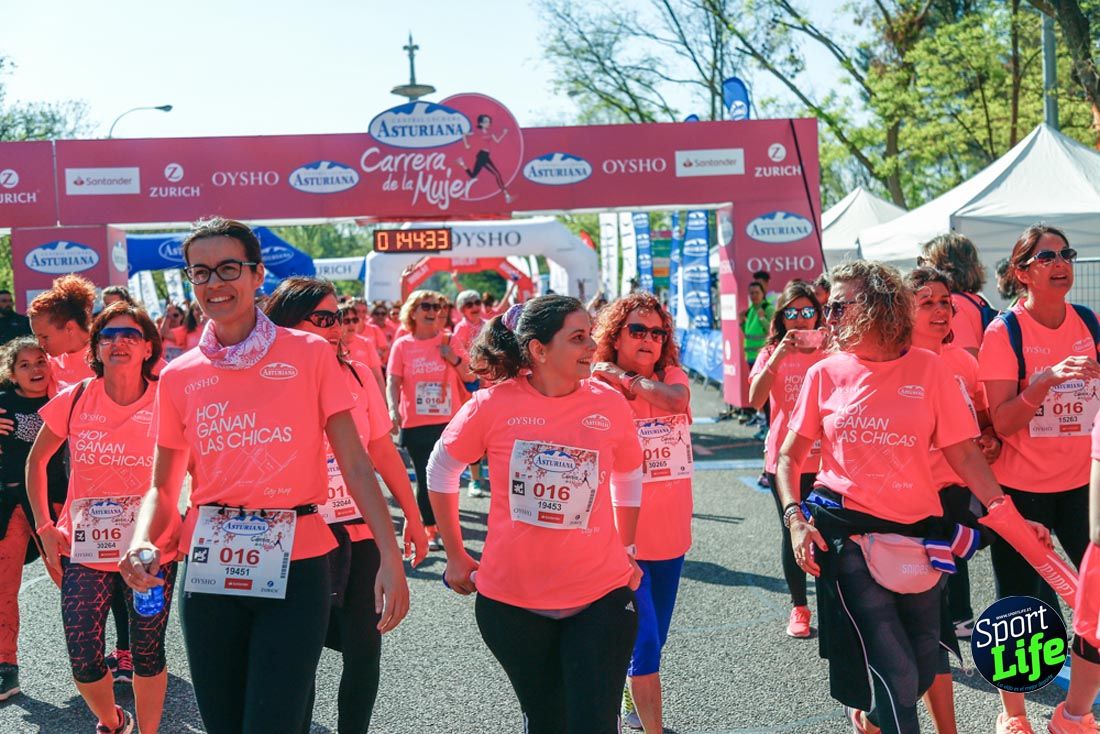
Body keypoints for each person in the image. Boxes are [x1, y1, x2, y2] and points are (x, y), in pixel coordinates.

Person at [117, 218, 409, 734]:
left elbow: (357, 463)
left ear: (257, 276)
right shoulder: (180, 375)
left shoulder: (310, 353)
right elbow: (163, 486)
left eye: (229, 268)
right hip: (208, 566)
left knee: (273, 721)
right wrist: (141, 540)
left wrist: (390, 553)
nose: (214, 283)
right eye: (200, 272)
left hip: (297, 562)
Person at [777, 260, 1051, 734]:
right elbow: (788, 458)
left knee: (926, 663)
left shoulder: (930, 370)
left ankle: (871, 715)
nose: (829, 318)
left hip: (920, 537)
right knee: (898, 670)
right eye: (829, 308)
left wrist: (1010, 519)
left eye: (839, 306)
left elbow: (966, 457)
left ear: (877, 305)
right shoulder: (825, 374)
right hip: (846, 535)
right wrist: (795, 519)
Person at [427, 295, 644, 733]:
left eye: (591, 336)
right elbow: (441, 468)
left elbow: (630, 473)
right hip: (513, 605)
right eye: (578, 338)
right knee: (546, 721)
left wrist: (628, 548)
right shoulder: (492, 405)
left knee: (595, 723)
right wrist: (454, 554)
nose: (591, 348)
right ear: (539, 350)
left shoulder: (608, 403)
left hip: (599, 597)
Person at [263, 277, 427, 734]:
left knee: (364, 650)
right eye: (324, 318)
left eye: (339, 316)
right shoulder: (265, 382)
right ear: (288, 323)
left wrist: (413, 518)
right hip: (297, 539)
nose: (338, 327)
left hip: (358, 531)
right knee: (302, 655)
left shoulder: (355, 373)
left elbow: (381, 450)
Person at [27, 302, 173, 734]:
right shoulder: (74, 399)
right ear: (96, 348)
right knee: (83, 654)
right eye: (107, 336)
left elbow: (197, 467)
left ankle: (147, 731)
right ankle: (112, 719)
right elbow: (36, 463)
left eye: (129, 334)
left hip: (151, 549)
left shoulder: (169, 398)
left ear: (148, 346)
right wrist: (44, 528)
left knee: (147, 651)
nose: (117, 342)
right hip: (84, 549)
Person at [977, 225, 1100, 734]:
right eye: (1046, 256)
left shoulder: (1089, 321)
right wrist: (1047, 380)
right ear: (1021, 271)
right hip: (1022, 490)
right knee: (1019, 606)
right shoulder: (1003, 332)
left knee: (1095, 599)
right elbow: (1001, 422)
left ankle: (1074, 713)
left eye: (1066, 253)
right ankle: (1016, 715)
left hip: (1082, 486)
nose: (1060, 262)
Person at [905, 266, 1003, 734]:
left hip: (957, 495)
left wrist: (989, 440)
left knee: (941, 593)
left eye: (946, 302)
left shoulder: (963, 361)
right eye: (928, 302)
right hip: (909, 504)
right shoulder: (893, 361)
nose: (942, 311)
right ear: (904, 310)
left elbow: (984, 423)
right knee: (924, 610)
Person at [591, 293, 692, 734]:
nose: (649, 339)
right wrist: (612, 378)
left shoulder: (671, 376)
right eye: (637, 330)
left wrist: (626, 377)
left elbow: (675, 402)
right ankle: (649, 727)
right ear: (615, 336)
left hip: (672, 537)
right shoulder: (595, 388)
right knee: (645, 642)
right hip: (621, 538)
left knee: (654, 640)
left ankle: (624, 701)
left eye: (657, 332)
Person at [27, 275, 134, 683]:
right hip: (81, 482)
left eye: (44, 335)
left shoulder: (113, 351)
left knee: (127, 570)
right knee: (94, 571)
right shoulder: (49, 367)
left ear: (70, 329)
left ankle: (130, 654)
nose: (41, 345)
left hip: (130, 474)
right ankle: (102, 656)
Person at [747, 280, 826, 639]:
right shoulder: (770, 352)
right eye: (792, 313)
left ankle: (831, 604)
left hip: (828, 459)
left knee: (828, 534)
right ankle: (799, 606)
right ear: (781, 317)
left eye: (808, 312)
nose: (800, 320)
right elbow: (753, 398)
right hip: (785, 460)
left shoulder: (831, 348)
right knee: (790, 531)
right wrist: (778, 354)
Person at [0, 338, 65, 701]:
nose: (35, 369)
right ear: (11, 373)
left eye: (40, 361)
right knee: (3, 589)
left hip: (51, 507)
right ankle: (5, 668)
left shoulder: (64, 398)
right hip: (8, 507)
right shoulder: (2, 404)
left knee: (72, 583)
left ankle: (92, 655)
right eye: (24, 365)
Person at [386, 290, 473, 551]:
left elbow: (470, 376)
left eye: (437, 306)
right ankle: (430, 529)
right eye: (426, 306)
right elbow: (393, 380)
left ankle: (448, 526)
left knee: (448, 477)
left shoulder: (450, 339)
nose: (433, 310)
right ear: (412, 311)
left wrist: (453, 358)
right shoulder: (402, 344)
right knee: (425, 478)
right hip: (415, 422)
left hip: (448, 421)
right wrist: (392, 409)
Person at [918, 233, 991, 356]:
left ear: (942, 265)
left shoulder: (954, 303)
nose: (920, 267)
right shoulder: (974, 300)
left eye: (924, 261)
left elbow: (966, 357)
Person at [452, 290, 489, 498]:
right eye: (469, 304)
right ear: (462, 310)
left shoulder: (488, 325)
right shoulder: (461, 328)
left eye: (476, 302)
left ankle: (482, 476)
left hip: (491, 385)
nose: (474, 306)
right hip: (469, 388)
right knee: (475, 435)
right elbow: (461, 355)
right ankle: (475, 480)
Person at [458, 113, 513, 203]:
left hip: (485, 155)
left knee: (473, 175)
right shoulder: (477, 132)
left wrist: (504, 133)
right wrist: (466, 145)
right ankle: (506, 195)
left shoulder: (490, 133)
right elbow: (464, 134)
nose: (488, 123)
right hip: (482, 155)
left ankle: (462, 164)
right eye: (486, 122)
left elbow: (497, 141)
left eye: (489, 121)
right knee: (497, 174)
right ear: (481, 123)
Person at [339, 304, 386, 397]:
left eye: (355, 320)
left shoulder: (366, 343)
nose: (351, 324)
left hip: (365, 399)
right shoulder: (331, 345)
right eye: (346, 321)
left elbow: (378, 377)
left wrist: (384, 404)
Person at [740, 281, 773, 369]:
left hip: (763, 357)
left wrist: (762, 319)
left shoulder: (768, 308)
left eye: (757, 293)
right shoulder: (751, 309)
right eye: (752, 293)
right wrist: (742, 323)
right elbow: (748, 333)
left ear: (763, 294)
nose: (754, 295)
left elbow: (773, 330)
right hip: (750, 357)